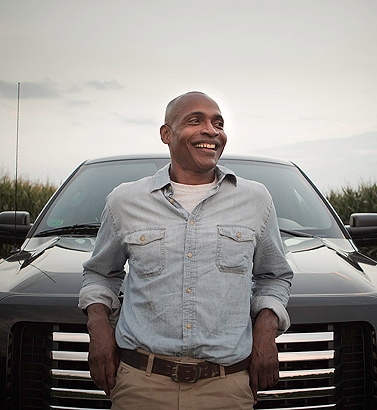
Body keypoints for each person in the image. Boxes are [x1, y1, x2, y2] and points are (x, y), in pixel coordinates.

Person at [79, 91, 293, 410]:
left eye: (218, 123)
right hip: (141, 384)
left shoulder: (256, 200)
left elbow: (274, 276)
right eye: (196, 120)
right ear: (166, 134)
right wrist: (98, 328)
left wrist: (266, 325)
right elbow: (100, 274)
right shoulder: (124, 201)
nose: (211, 130)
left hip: (228, 386)